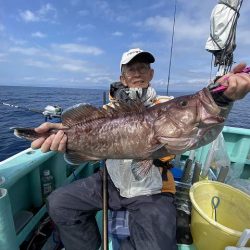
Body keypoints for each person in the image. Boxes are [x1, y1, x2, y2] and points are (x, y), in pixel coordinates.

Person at [31, 48, 250, 250]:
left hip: (152, 190)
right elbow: (84, 129)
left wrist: (221, 98)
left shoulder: (167, 105)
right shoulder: (108, 111)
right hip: (110, 182)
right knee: (59, 203)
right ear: (122, 78)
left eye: (143, 68)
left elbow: (202, 133)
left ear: (151, 73)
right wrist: (60, 133)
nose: (137, 73)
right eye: (131, 69)